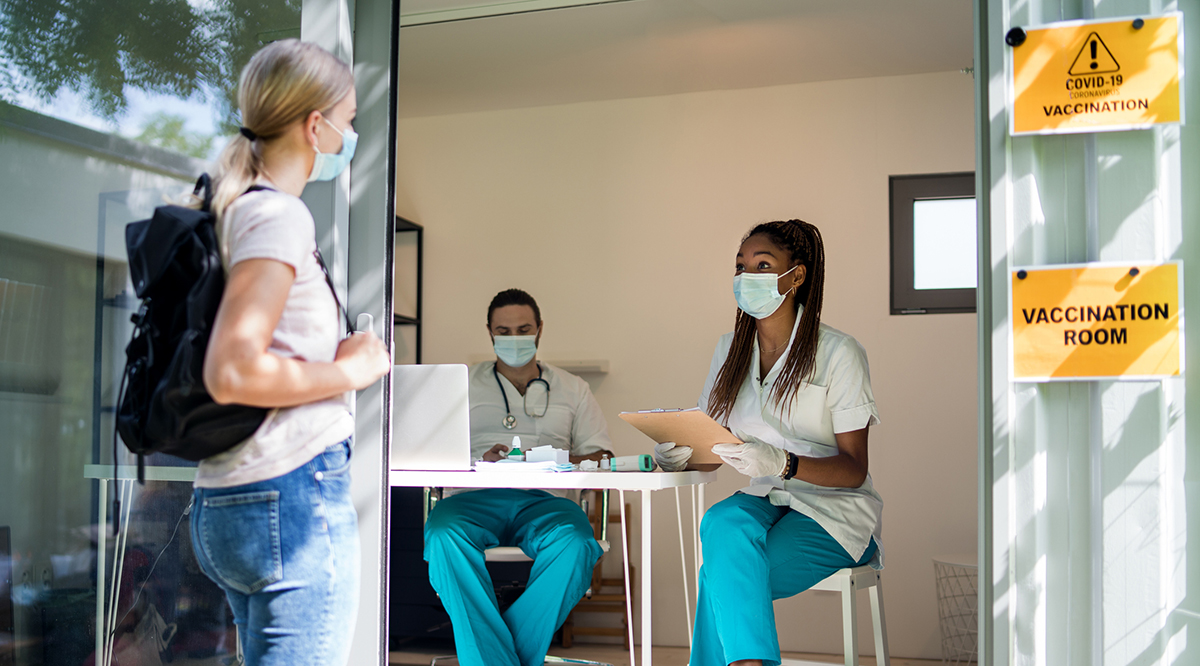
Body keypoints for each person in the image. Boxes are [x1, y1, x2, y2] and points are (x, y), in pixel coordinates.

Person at [189, 39, 391, 666]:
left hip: (227, 498)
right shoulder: (280, 216)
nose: (351, 135)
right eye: (350, 121)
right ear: (315, 126)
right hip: (290, 496)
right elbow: (233, 369)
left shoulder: (229, 209)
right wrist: (347, 370)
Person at [654, 220, 882, 666]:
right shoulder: (730, 350)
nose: (747, 278)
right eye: (740, 267)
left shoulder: (839, 352)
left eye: (763, 265)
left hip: (832, 512)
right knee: (721, 522)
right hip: (764, 500)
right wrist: (679, 454)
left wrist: (784, 463)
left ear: (796, 276)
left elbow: (853, 468)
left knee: (719, 576)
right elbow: (711, 443)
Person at [423, 288, 613, 666]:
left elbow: (602, 455)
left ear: (540, 330)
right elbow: (431, 451)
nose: (513, 339)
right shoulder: (459, 384)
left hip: (546, 501)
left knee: (576, 542)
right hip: (472, 497)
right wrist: (480, 459)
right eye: (503, 331)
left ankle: (492, 658)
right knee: (443, 534)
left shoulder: (574, 389)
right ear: (490, 332)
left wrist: (545, 459)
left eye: (523, 329)